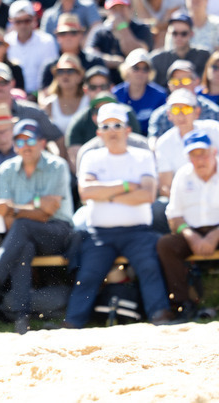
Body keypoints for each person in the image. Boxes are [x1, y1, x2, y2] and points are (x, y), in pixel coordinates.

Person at [0, 119, 75, 334]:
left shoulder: (57, 165)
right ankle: (22, 318)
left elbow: (48, 211)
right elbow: (10, 218)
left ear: (42, 142)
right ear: (14, 146)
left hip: (58, 233)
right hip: (23, 233)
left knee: (22, 226)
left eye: (30, 139)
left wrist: (17, 209)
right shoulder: (6, 169)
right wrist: (35, 205)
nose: (25, 145)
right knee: (22, 246)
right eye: (19, 141)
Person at [62, 104, 173, 327]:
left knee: (149, 268)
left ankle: (160, 317)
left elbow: (148, 195)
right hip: (100, 234)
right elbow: (85, 193)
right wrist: (125, 186)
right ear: (98, 132)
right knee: (89, 275)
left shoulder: (142, 156)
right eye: (106, 126)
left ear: (127, 129)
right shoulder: (91, 157)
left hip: (137, 232)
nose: (112, 130)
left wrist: (105, 194)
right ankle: (73, 323)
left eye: (117, 125)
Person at [157, 130, 219, 320]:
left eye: (203, 153)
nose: (199, 159)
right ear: (188, 157)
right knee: (166, 245)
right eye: (194, 154)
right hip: (191, 230)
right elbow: (174, 215)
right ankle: (182, 304)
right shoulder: (183, 175)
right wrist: (190, 235)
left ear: (214, 152)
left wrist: (214, 235)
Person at [4, 0, 58, 95]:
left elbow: (51, 75)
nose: (23, 25)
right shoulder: (6, 42)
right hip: (13, 99)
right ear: (11, 21)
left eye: (27, 20)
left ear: (34, 19)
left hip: (43, 97)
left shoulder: (46, 41)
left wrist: (36, 95)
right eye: (18, 22)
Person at [113, 49, 168, 132]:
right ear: (127, 70)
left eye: (145, 69)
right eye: (136, 68)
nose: (140, 72)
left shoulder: (159, 95)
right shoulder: (116, 94)